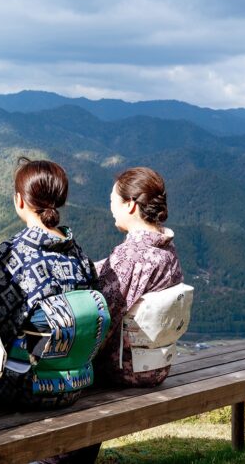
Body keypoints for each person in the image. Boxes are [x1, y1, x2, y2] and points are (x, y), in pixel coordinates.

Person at [0, 157, 106, 411]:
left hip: (23, 385)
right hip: (76, 382)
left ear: (19, 200)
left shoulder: (14, 253)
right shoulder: (78, 254)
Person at [95, 166, 184, 387]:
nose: (112, 209)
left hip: (123, 369)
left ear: (131, 205)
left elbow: (103, 318)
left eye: (113, 202)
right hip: (159, 365)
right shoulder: (167, 250)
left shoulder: (131, 256)